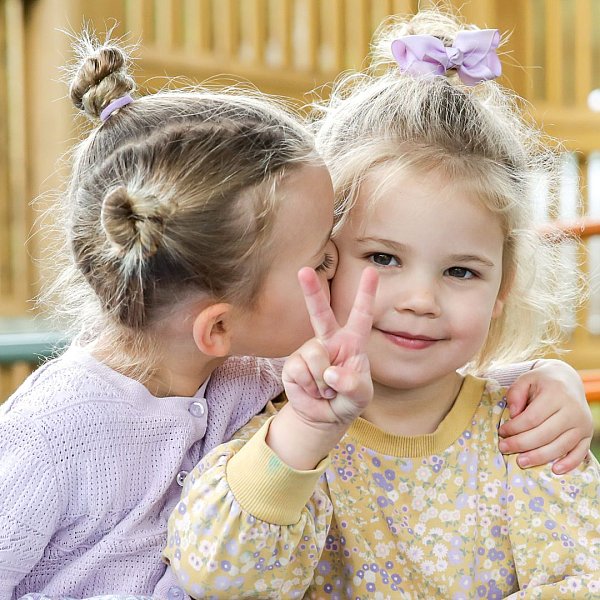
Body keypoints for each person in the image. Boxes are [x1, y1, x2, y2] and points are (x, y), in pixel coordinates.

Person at [1, 24, 593, 600]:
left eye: (461, 271)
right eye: (366, 258)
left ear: (504, 286)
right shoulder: (266, 407)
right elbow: (222, 576)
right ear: (220, 327)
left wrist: (547, 380)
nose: (419, 300)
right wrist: (305, 432)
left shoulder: (255, 381)